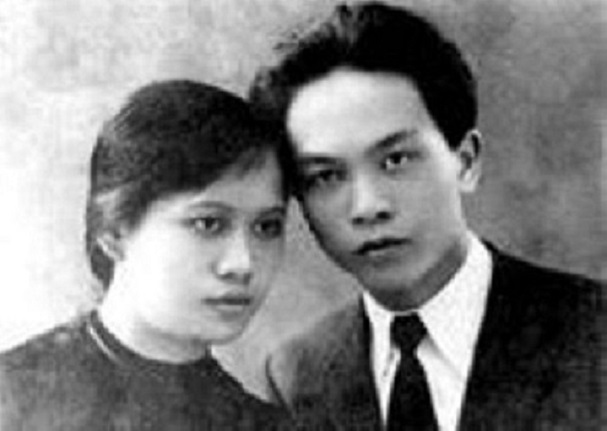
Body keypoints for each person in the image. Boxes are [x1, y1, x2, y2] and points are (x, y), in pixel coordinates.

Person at [248, 2, 603, 430]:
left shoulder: (593, 332)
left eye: (396, 160)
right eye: (326, 176)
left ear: (466, 162)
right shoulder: (295, 374)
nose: (368, 206)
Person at [0, 80, 294, 430]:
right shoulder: (12, 396)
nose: (243, 264)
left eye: (266, 227)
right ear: (115, 231)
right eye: (208, 223)